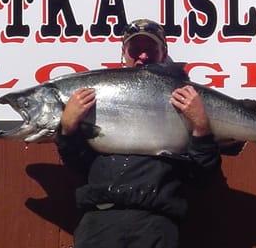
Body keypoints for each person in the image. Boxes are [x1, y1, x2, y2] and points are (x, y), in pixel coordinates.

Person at [54, 19, 221, 248]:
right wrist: (68, 130)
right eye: (135, 50)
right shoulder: (92, 98)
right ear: (124, 53)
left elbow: (203, 176)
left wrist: (202, 128)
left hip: (155, 225)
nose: (142, 56)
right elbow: (79, 167)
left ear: (164, 53)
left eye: (150, 49)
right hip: (98, 224)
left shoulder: (189, 100)